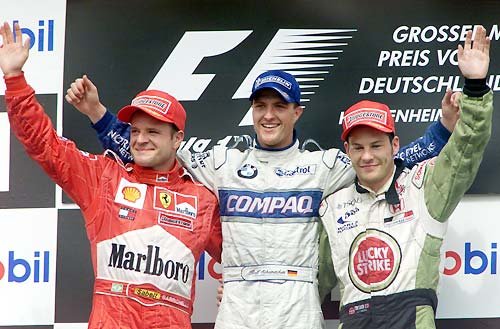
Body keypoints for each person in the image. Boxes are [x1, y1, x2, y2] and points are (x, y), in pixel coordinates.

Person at [66, 70, 458, 327]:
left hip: (298, 301)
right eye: (260, 106)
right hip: (238, 302)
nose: (268, 115)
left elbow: (393, 160)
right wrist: (98, 114)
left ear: (296, 112)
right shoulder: (220, 161)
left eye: (279, 106)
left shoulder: (323, 165)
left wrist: (442, 129)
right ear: (252, 111)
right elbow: (149, 147)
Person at [0, 22, 222, 329]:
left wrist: (238, 289)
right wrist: (14, 79)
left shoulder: (202, 200)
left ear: (177, 139)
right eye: (136, 131)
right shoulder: (105, 179)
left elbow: (244, 257)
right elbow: (44, 145)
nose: (141, 139)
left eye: (153, 132)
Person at [318, 26, 492, 329]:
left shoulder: (422, 187)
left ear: (394, 145)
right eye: (358, 148)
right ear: (346, 150)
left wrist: (475, 86)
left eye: (376, 146)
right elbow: (309, 280)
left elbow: (467, 149)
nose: (367, 156)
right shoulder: (332, 206)